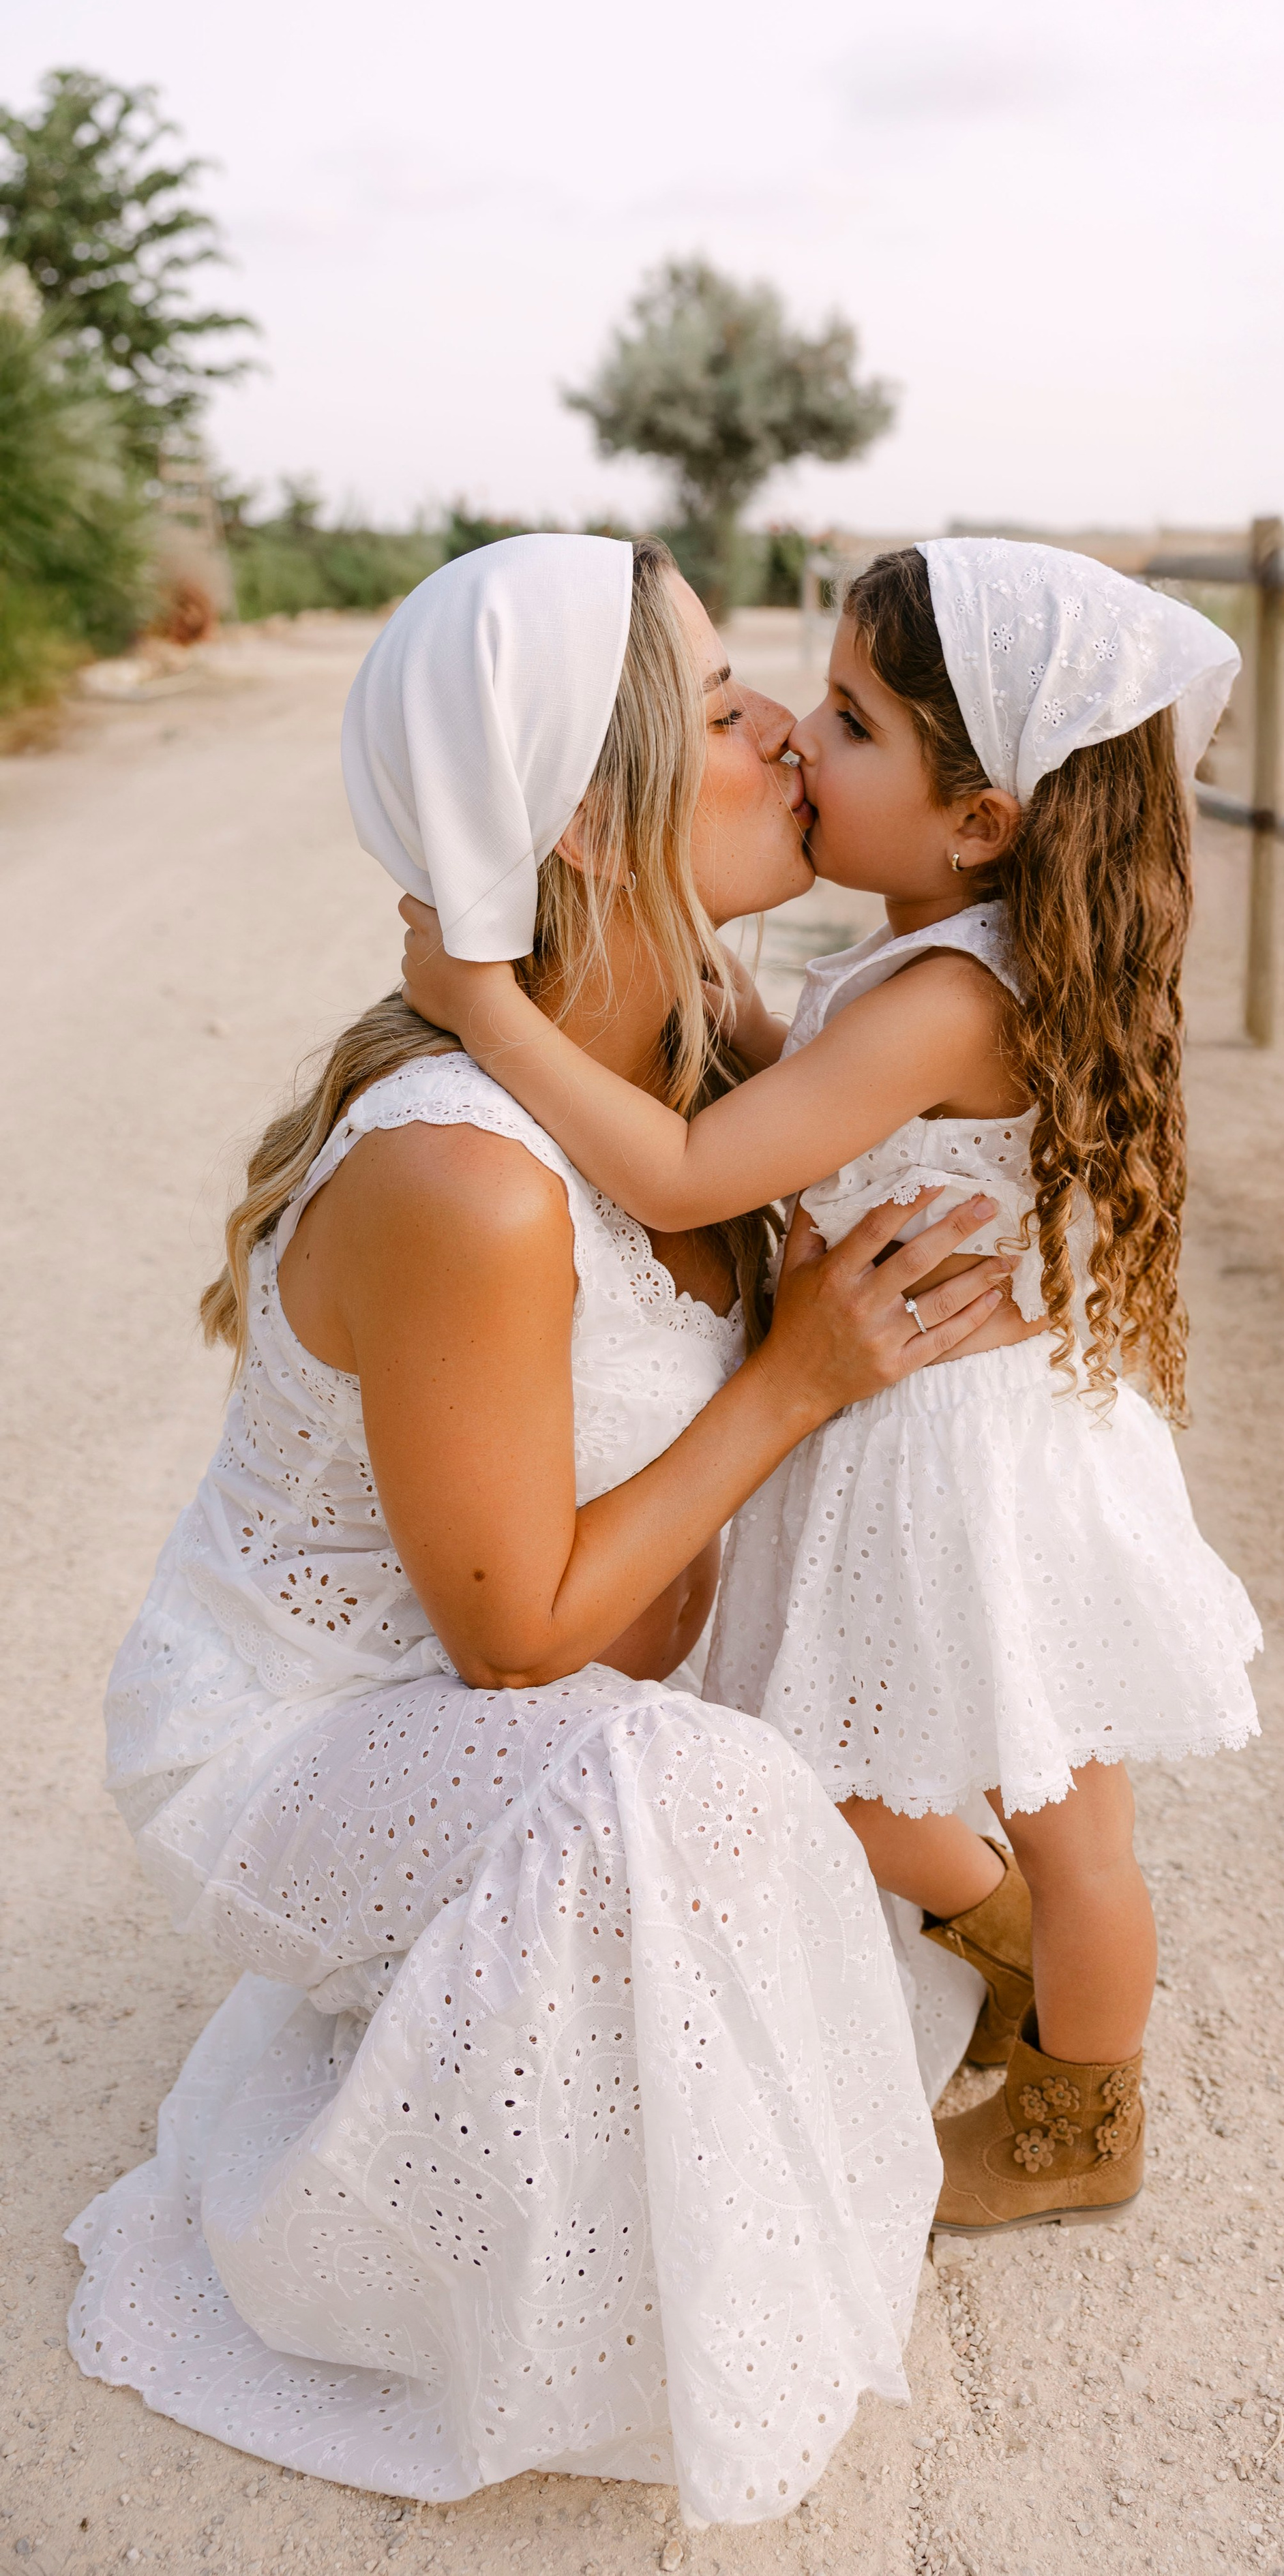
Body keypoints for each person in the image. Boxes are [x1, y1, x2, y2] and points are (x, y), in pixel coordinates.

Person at [65, 534, 1016, 2521]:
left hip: (557, 1672)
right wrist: (794, 1381)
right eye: (726, 706)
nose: (786, 732)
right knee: (690, 1797)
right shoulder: (469, 1179)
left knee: (855, 1659)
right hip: (306, 1743)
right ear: (587, 817)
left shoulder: (702, 1057)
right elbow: (514, 1643)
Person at [398, 538, 1264, 2237]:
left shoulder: (951, 993)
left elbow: (689, 1169)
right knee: (842, 1769)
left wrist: (483, 1010)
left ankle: (1083, 2110)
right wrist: (704, 982)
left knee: (1067, 1824)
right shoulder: (927, 958)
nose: (799, 734)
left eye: (854, 723)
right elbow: (806, 1091)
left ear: (980, 820)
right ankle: (1009, 1951)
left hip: (978, 1460)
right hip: (913, 1436)